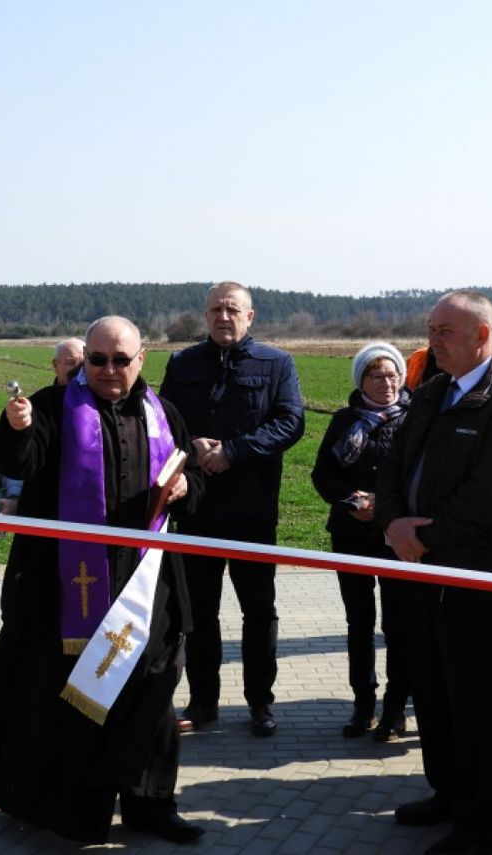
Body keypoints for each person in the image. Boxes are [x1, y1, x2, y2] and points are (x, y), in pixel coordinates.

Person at [0, 316, 206, 845]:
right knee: (74, 702)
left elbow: (192, 483)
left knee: (152, 700)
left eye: (121, 360)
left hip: (148, 587)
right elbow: (17, 462)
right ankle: (75, 812)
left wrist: (186, 488)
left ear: (141, 359)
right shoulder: (53, 406)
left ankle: (152, 806)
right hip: (65, 587)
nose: (108, 370)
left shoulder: (164, 414)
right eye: (97, 360)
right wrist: (15, 430)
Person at [375, 291, 492, 855]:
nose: (433, 340)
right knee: (431, 688)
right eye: (431, 329)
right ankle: (446, 793)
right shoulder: (433, 392)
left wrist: (422, 536)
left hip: (477, 576)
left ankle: (477, 825)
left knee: (474, 702)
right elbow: (394, 464)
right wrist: (392, 521)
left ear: (481, 335)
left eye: (444, 330)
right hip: (422, 569)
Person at [160, 281, 305, 737]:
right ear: (205, 316)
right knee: (199, 615)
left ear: (250, 316)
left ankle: (261, 702)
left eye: (232, 310)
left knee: (258, 613)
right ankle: (203, 702)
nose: (224, 317)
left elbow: (290, 422)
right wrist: (192, 446)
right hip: (197, 510)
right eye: (215, 310)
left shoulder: (277, 363)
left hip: (252, 511)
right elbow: (163, 421)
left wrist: (233, 452)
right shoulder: (183, 363)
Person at [310, 342, 412, 742]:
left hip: (395, 537)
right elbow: (323, 474)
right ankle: (363, 704)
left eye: (392, 375)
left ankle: (395, 709)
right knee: (359, 623)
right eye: (376, 376)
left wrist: (381, 504)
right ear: (361, 381)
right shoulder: (344, 420)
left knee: (399, 625)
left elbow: (419, 478)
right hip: (351, 533)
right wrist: (351, 500)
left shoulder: (414, 420)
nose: (386, 383)